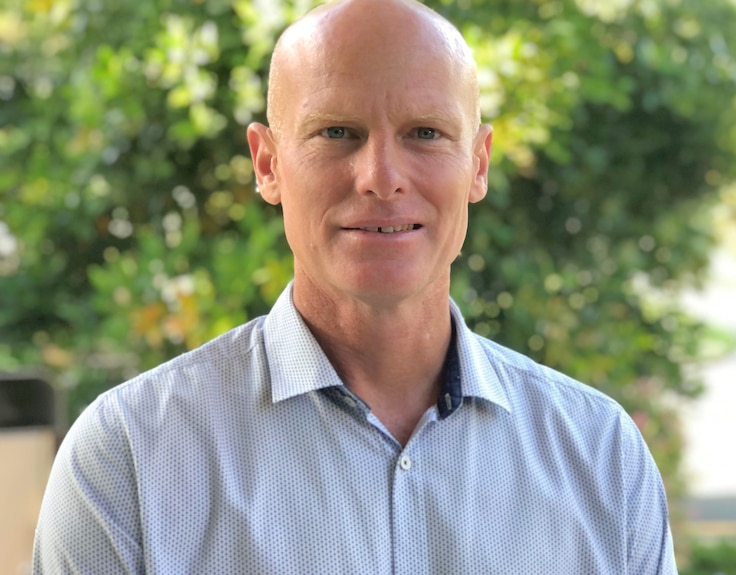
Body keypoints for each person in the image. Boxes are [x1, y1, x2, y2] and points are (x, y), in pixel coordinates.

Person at [33, 0, 677, 572]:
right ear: (268, 164)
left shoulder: (601, 457)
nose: (381, 177)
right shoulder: (130, 459)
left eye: (425, 133)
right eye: (336, 132)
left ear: (477, 164)